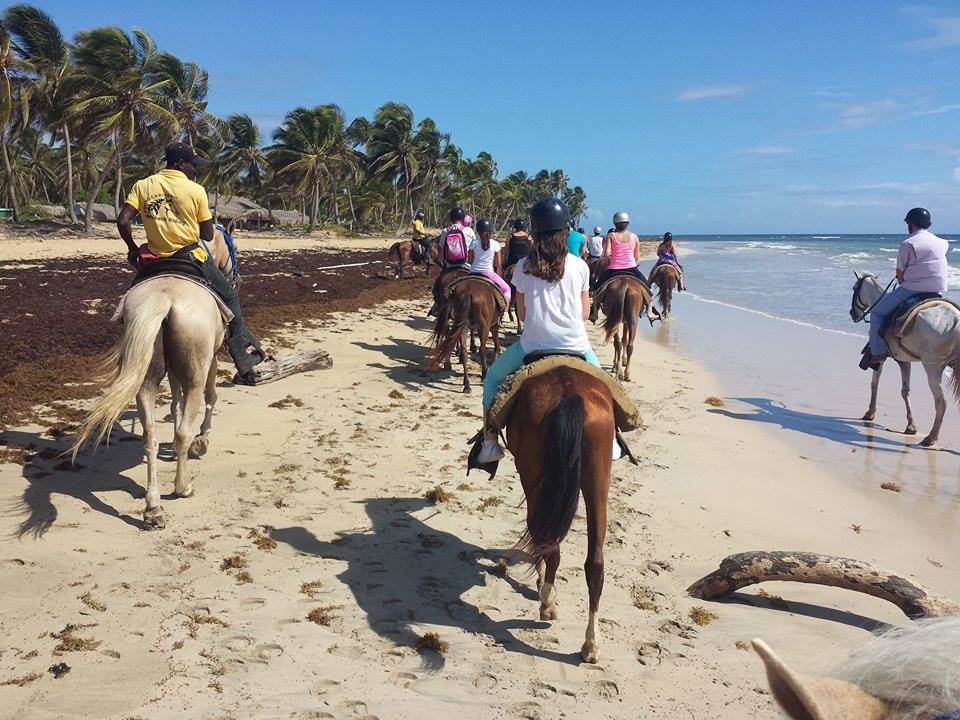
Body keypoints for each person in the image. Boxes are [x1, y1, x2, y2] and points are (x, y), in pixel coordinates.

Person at [476, 197, 610, 464]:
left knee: (492, 378)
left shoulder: (524, 267)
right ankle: (614, 439)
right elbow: (584, 314)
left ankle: (490, 442)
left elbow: (522, 315)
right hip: (577, 347)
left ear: (535, 232)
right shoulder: (581, 266)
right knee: (607, 387)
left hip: (531, 347)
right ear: (566, 231)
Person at [118, 141, 266, 376]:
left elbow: (123, 220)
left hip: (154, 259)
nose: (195, 170)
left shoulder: (143, 185)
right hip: (188, 256)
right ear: (180, 164)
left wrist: (133, 249)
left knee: (129, 303)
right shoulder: (195, 190)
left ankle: (125, 352)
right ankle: (241, 355)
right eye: (193, 165)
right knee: (230, 295)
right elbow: (208, 234)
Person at [862, 207, 948, 370]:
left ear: (911, 223)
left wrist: (902, 278)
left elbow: (900, 273)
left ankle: (878, 352)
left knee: (877, 313)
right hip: (937, 291)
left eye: (908, 223)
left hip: (912, 289)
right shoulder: (943, 243)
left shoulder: (908, 243)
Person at [428, 207, 477, 316]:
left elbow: (441, 249)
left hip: (449, 266)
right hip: (466, 265)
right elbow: (473, 249)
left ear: (451, 218)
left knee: (438, 285)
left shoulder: (446, 231)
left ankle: (437, 304)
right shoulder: (469, 231)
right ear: (463, 218)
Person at [593, 211, 648, 289]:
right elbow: (637, 258)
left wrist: (608, 261)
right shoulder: (634, 237)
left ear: (614, 223)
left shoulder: (611, 235)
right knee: (648, 288)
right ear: (627, 223)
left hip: (614, 269)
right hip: (631, 268)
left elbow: (607, 255)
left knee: (596, 288)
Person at [468, 219, 511, 303]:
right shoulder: (495, 244)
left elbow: (470, 260)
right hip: (489, 273)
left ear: (478, 231)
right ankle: (505, 314)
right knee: (507, 290)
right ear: (491, 231)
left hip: (473, 272)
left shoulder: (473, 243)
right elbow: (498, 264)